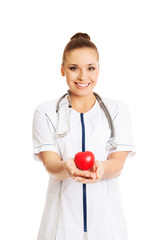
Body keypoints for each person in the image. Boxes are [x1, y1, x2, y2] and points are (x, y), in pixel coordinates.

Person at [32, 32, 136, 240]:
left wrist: (102, 168)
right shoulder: (45, 112)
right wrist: (66, 167)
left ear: (98, 70)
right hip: (60, 225)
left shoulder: (117, 110)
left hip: (107, 225)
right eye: (73, 68)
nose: (82, 77)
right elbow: (51, 165)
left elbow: (117, 163)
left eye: (90, 68)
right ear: (62, 70)